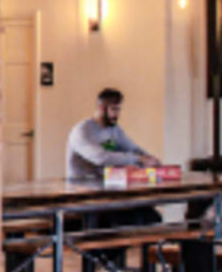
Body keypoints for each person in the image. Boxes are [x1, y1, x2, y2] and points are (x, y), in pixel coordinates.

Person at [65, 87, 163, 233]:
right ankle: (100, 253)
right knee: (125, 220)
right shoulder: (82, 131)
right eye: (113, 110)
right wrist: (139, 159)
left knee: (150, 217)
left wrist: (150, 159)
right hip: (84, 193)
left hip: (108, 191)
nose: (117, 115)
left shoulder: (114, 130)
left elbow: (132, 148)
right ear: (100, 108)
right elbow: (101, 158)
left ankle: (115, 252)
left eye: (119, 110)